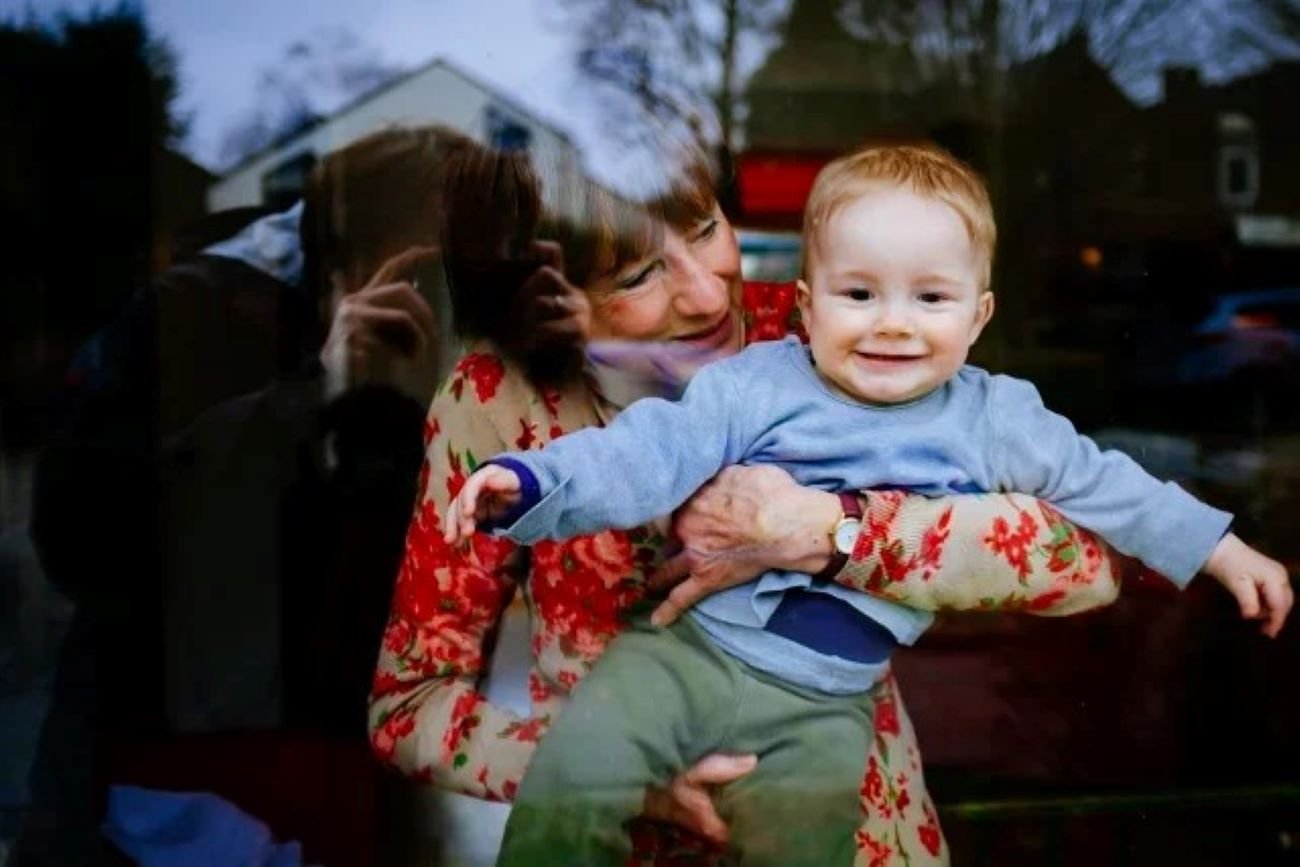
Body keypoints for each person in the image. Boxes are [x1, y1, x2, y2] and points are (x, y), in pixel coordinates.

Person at [446, 143, 1292, 865]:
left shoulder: (996, 418)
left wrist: (1222, 548)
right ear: (808, 306)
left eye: (930, 298)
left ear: (979, 316)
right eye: (859, 295)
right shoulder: (757, 380)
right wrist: (531, 483)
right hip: (686, 657)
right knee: (576, 769)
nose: (893, 323)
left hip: (824, 699)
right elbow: (646, 453)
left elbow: (1108, 492)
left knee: (808, 838)